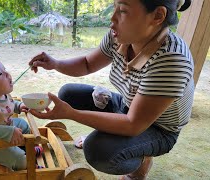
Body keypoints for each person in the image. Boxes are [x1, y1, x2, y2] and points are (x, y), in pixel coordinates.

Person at [28, 0, 193, 179]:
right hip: (127, 106)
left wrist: (71, 113)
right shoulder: (120, 36)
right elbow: (87, 64)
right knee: (68, 94)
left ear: (158, 16)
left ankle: (140, 160)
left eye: (122, 10)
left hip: (159, 128)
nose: (112, 18)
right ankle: (116, 135)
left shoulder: (172, 60)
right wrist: (55, 64)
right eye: (114, 7)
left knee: (98, 150)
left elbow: (133, 124)